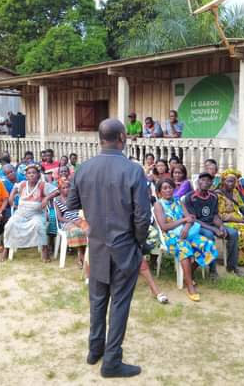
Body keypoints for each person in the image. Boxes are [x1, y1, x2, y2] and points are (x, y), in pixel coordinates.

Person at [67, 119, 150, 378]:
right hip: (124, 244)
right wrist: (138, 242)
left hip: (97, 245)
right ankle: (112, 361)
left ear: (99, 138)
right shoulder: (133, 170)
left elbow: (71, 206)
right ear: (123, 137)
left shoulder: (84, 168)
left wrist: (88, 226)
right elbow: (142, 216)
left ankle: (95, 351)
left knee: (98, 299)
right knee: (119, 303)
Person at [154, 178, 218, 301]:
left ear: (174, 189)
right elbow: (164, 226)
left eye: (170, 187)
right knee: (185, 248)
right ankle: (190, 286)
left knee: (209, 246)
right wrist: (183, 221)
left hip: (186, 232)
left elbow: (190, 217)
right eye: (165, 188)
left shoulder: (178, 201)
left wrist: (186, 227)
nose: (168, 190)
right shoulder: (159, 204)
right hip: (170, 236)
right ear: (159, 191)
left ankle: (188, 273)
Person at [183, 173, 235, 279]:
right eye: (203, 180)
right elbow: (194, 219)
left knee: (233, 233)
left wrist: (220, 226)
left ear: (211, 183)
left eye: (208, 181)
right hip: (197, 226)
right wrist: (214, 229)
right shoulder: (190, 197)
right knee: (210, 235)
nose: (205, 182)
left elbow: (215, 215)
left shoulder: (213, 196)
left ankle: (232, 267)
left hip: (212, 224)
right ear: (198, 182)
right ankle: (212, 270)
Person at [3, 164, 56, 262]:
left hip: (37, 214)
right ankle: (6, 249)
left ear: (38, 175)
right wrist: (11, 197)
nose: (31, 175)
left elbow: (57, 191)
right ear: (26, 176)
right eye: (29, 173)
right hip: (21, 214)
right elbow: (15, 188)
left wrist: (46, 198)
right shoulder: (22, 184)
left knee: (38, 225)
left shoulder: (42, 185)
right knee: (10, 224)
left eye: (34, 173)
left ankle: (44, 250)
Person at [53, 179, 88, 268]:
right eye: (63, 188)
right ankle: (81, 255)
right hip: (66, 221)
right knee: (76, 231)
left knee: (87, 229)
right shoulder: (57, 200)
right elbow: (60, 217)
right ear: (59, 190)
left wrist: (79, 219)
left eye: (68, 187)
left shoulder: (76, 197)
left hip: (79, 218)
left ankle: (84, 254)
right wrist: (72, 221)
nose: (66, 189)